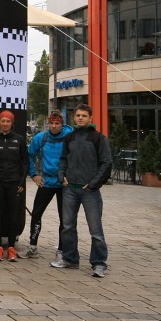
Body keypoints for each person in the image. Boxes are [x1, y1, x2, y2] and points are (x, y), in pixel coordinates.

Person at [51, 104, 112, 278]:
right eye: (78, 115)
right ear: (74, 117)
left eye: (84, 115)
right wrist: (61, 176)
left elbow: (106, 163)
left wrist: (93, 183)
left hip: (89, 191)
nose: (80, 118)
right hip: (70, 189)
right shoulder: (69, 138)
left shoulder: (98, 138)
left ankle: (98, 263)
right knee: (68, 227)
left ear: (90, 118)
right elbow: (63, 160)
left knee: (96, 230)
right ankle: (70, 259)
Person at [21, 110, 73, 261]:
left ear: (62, 124)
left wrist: (71, 176)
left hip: (64, 184)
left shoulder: (70, 137)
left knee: (64, 218)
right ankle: (32, 247)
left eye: (57, 123)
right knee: (36, 213)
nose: (54, 126)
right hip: (47, 181)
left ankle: (62, 249)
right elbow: (29, 156)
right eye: (51, 123)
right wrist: (34, 175)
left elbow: (77, 157)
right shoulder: (41, 137)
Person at [0, 110, 29, 262]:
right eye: (3, 121)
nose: (5, 124)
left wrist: (21, 182)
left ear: (12, 123)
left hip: (13, 182)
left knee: (12, 215)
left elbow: (25, 162)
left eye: (8, 121)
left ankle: (11, 248)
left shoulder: (19, 139)